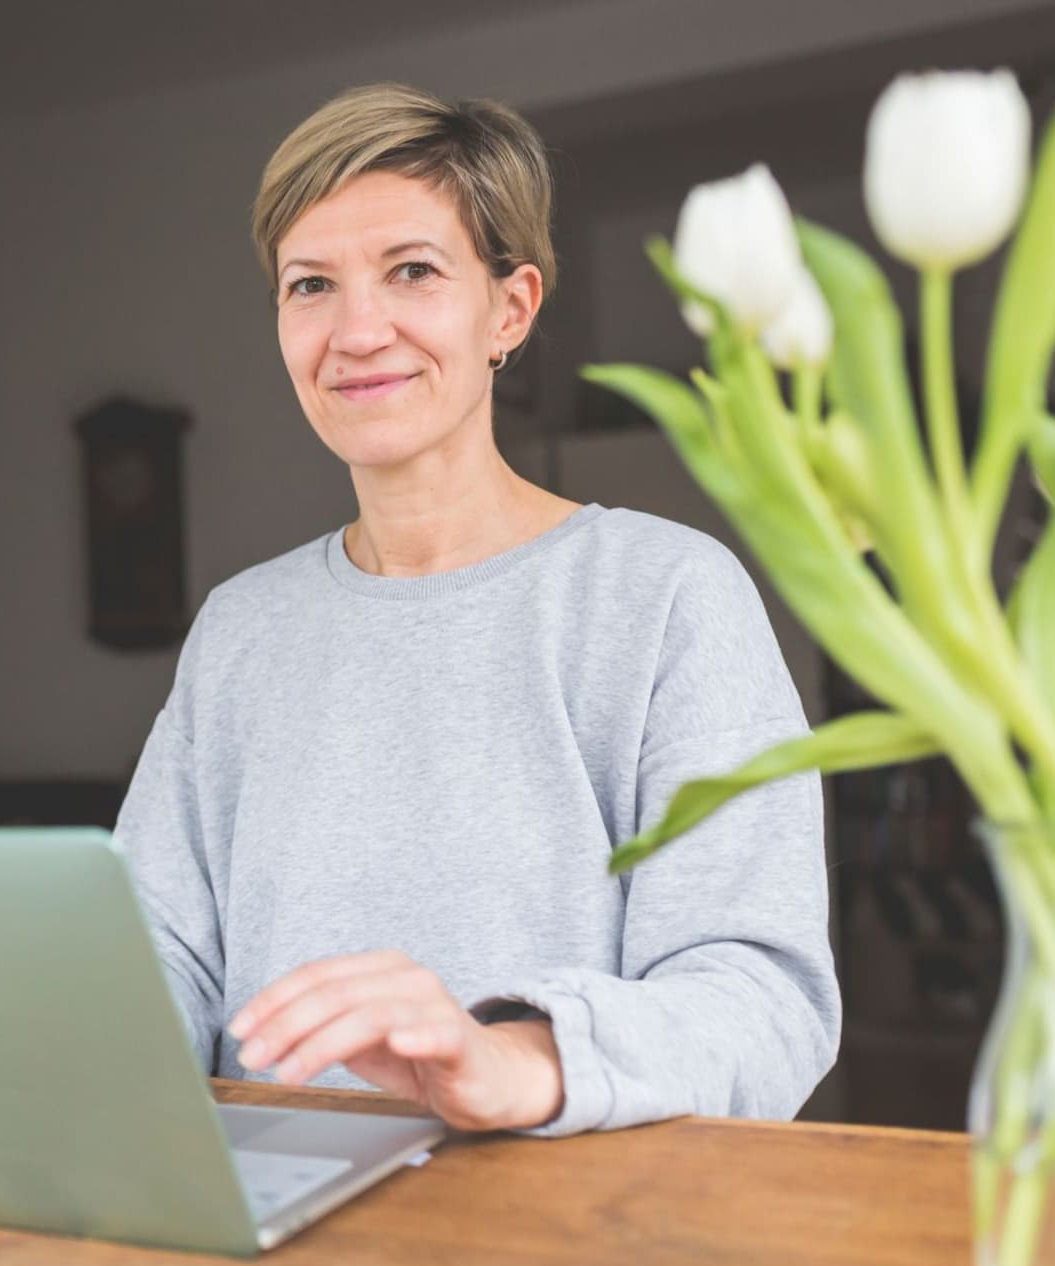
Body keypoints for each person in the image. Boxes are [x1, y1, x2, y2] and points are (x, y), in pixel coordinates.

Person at [113, 83, 839, 1136]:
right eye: (308, 284)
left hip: (559, 1224)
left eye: (411, 270)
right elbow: (155, 949)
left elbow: (764, 1000)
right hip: (262, 1216)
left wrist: (515, 1057)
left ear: (508, 308)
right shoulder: (240, 627)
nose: (356, 331)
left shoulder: (666, 594)